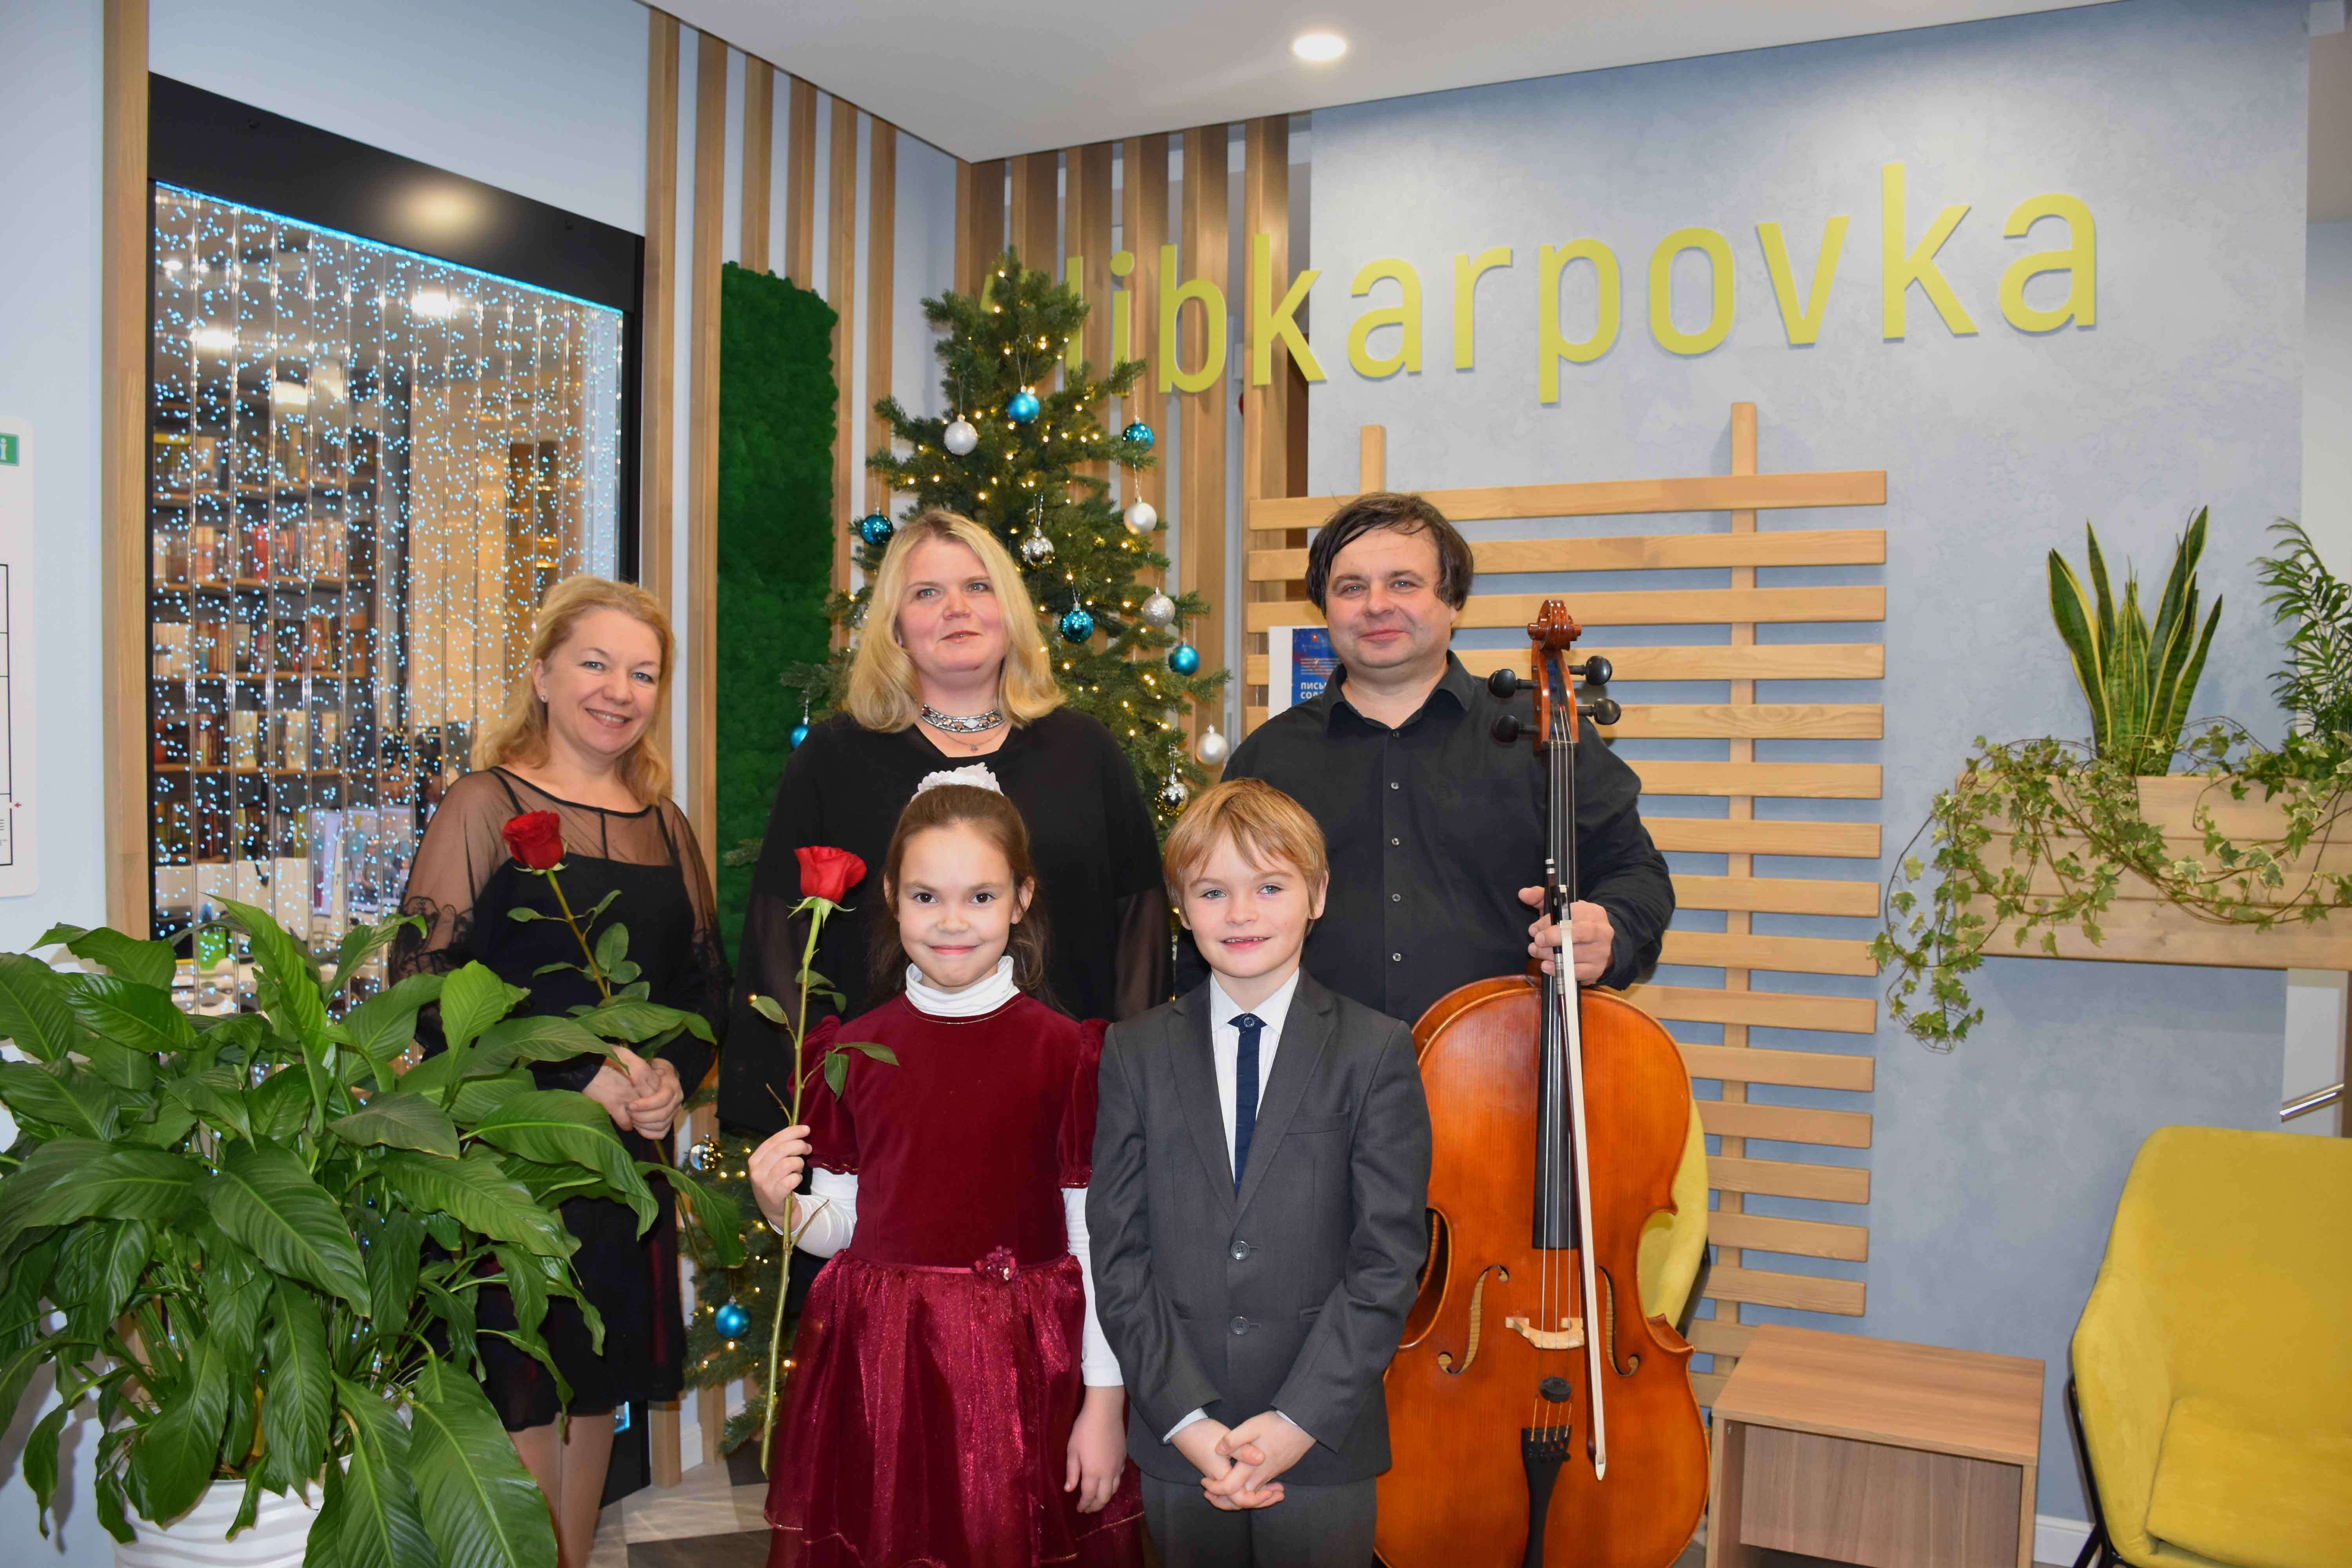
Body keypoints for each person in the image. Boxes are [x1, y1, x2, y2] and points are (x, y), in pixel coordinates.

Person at [391, 575, 723, 1568]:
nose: (620, 690)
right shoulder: (482, 805)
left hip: (624, 1169)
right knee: (523, 1394)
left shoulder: (667, 825)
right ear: (541, 674)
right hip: (512, 1157)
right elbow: (423, 989)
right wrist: (575, 1079)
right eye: (595, 663)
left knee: (593, 1393)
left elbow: (706, 991)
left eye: (643, 673)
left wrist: (669, 1079)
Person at [745, 773, 1145, 1568]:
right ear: (892, 898)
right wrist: (777, 1205)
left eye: (981, 897)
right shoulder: (851, 1052)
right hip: (887, 1375)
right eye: (927, 897)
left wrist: (1104, 1402)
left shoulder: (1067, 1053)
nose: (953, 922)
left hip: (1028, 1375)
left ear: (1021, 899)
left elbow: (1093, 1243)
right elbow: (844, 1228)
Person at [721, 509, 1169, 1139]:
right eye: (927, 593)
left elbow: (1138, 931)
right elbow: (781, 943)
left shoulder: (1086, 753)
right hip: (879, 1117)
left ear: (1009, 611)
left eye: (978, 587)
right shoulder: (833, 759)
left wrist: (1132, 1104)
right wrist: (806, 1114)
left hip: (1062, 1112)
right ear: (896, 628)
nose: (956, 608)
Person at [1089, 778, 1433, 1566]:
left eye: (1270, 887)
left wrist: (1296, 1420)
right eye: (1213, 891)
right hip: (1183, 1443)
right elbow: (1119, 1254)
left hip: (1323, 1437)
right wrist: (1186, 1420)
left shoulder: (1376, 1050)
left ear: (1318, 895)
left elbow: (1388, 1259)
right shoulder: (1134, 1052)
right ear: (1183, 908)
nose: (1241, 913)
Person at [1188, 491, 1676, 1025]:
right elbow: (1212, 918)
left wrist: (1610, 932)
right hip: (1314, 1068)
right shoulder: (1268, 757)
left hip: (1505, 1060)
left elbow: (1636, 873)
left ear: (1453, 601)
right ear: (1324, 609)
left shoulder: (1543, 734)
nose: (1376, 605)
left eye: (1403, 583)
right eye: (1351, 587)